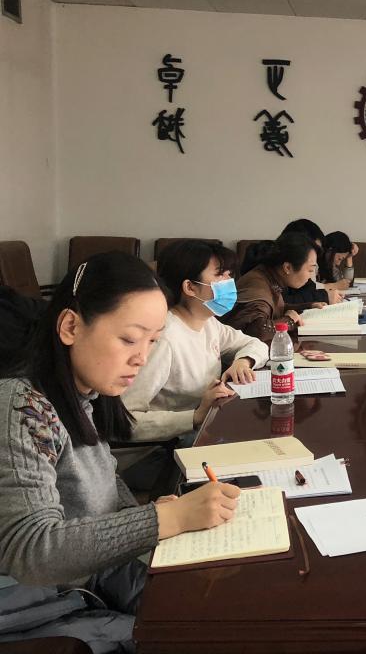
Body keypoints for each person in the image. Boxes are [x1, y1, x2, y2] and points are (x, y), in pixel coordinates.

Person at [0, 252, 240, 650]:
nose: (141, 358)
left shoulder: (85, 395)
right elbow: (31, 551)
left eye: (152, 341)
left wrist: (152, 514)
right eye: (129, 339)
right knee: (191, 636)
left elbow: (104, 484)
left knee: (221, 608)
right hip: (44, 599)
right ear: (70, 326)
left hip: (96, 573)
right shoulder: (23, 406)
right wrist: (163, 519)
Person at [120, 240, 269, 443]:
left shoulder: (208, 323)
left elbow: (255, 344)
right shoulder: (164, 339)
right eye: (220, 275)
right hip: (166, 445)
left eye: (229, 275)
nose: (229, 283)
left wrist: (243, 361)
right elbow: (127, 421)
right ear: (190, 287)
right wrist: (195, 417)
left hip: (203, 429)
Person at [221, 232, 320, 344]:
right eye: (310, 270)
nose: (311, 276)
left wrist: (308, 307)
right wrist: (289, 321)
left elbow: (275, 308)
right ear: (287, 267)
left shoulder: (268, 276)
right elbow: (257, 331)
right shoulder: (258, 286)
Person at [276, 219, 343, 308]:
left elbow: (309, 287)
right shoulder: (269, 276)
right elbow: (281, 302)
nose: (315, 255)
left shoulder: (295, 271)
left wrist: (326, 294)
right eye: (313, 249)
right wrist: (324, 297)